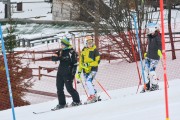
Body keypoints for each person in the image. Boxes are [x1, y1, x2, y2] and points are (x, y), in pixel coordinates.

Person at [52, 37, 81, 109]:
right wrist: (56, 57)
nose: (61, 45)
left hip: (68, 73)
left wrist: (73, 73)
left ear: (66, 44)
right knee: (59, 89)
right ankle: (62, 104)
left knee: (69, 88)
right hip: (60, 73)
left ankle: (77, 101)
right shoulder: (61, 51)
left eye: (62, 44)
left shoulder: (71, 52)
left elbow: (75, 64)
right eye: (61, 44)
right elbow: (53, 58)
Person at [75, 36, 100, 104]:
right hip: (85, 70)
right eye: (88, 43)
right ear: (86, 43)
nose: (90, 44)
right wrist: (79, 72)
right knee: (88, 83)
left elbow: (97, 62)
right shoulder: (83, 51)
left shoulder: (95, 50)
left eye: (91, 42)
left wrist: (88, 64)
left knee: (88, 81)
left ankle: (93, 96)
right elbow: (81, 62)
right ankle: (95, 94)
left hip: (93, 69)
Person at [141, 23, 162, 93]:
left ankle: (155, 85)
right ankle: (146, 86)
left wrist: (160, 50)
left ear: (153, 29)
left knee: (151, 72)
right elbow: (150, 47)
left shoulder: (158, 37)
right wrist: (147, 53)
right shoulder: (150, 37)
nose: (147, 31)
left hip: (155, 57)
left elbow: (160, 45)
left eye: (148, 29)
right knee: (145, 71)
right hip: (149, 56)